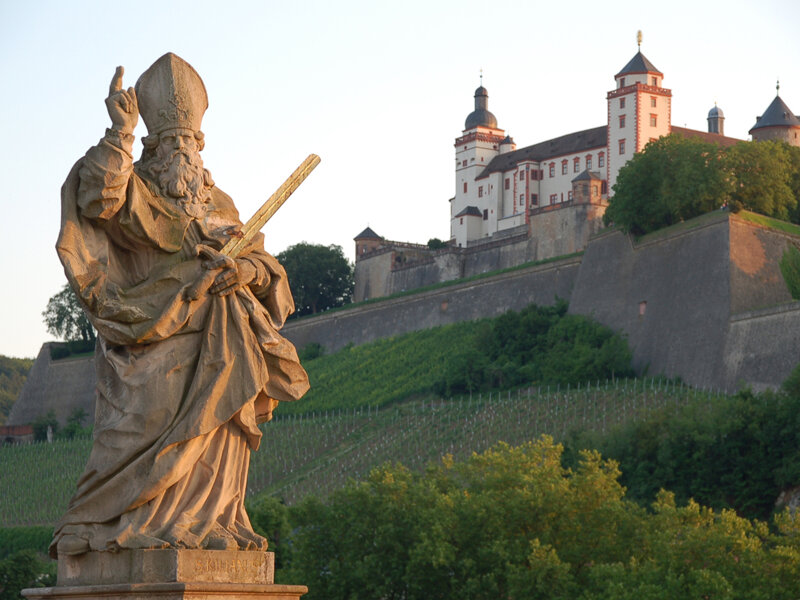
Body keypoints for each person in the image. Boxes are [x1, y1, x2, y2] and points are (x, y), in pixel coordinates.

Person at [50, 53, 309, 558]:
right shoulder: (134, 187)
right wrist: (120, 132)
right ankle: (111, 521)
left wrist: (244, 271)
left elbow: (262, 263)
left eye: (189, 142)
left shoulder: (220, 204)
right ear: (152, 146)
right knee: (140, 424)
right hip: (148, 334)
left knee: (219, 420)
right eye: (171, 142)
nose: (182, 152)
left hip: (221, 337)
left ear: (201, 145)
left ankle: (209, 521)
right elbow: (97, 199)